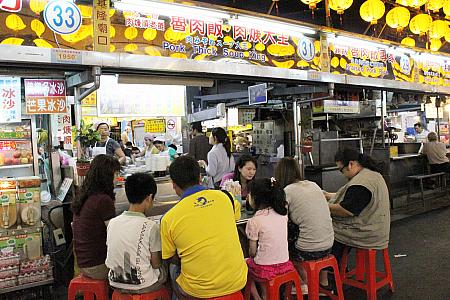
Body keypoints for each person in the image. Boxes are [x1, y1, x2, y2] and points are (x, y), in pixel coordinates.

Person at [160, 156, 246, 298]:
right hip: (237, 281)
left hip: (198, 291)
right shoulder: (226, 198)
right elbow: (236, 217)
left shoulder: (168, 219)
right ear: (200, 178)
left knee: (173, 267)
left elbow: (170, 257)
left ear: (174, 185)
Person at [275, 157, 334, 292]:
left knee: (283, 250)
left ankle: (302, 283)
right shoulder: (313, 185)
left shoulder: (287, 191)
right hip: (329, 245)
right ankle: (321, 282)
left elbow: (280, 217)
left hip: (309, 250)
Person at [324, 148, 390, 266]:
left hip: (367, 232)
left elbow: (347, 210)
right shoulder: (370, 174)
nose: (343, 174)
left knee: (326, 232)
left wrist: (323, 206)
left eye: (341, 170)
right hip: (375, 226)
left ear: (351, 164)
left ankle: (330, 269)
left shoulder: (361, 183)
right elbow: (354, 199)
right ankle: (336, 268)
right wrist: (330, 196)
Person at [106, 173, 167, 294]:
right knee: (168, 267)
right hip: (143, 285)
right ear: (149, 198)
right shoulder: (151, 226)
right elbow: (155, 264)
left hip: (115, 283)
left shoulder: (112, 223)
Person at [245, 178, 295, 300]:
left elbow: (252, 252)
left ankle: (258, 297)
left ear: (256, 198)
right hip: (285, 264)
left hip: (265, 268)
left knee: (244, 265)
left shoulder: (254, 221)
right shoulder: (282, 214)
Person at [72, 155, 121, 279]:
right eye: (115, 174)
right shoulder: (103, 200)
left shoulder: (86, 195)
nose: (117, 179)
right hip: (98, 266)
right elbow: (114, 234)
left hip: (83, 262)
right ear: (106, 176)